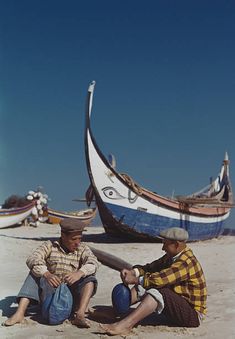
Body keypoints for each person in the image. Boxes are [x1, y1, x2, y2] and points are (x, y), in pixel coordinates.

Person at [101, 227, 207, 335]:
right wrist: (133, 272)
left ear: (176, 245)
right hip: (179, 307)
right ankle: (115, 312)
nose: (163, 248)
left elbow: (160, 280)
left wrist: (135, 280)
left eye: (165, 244)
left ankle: (126, 325)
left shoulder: (186, 262)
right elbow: (150, 268)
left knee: (159, 289)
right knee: (145, 284)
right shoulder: (171, 257)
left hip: (192, 316)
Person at [3, 218, 99, 328]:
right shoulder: (49, 245)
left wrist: (79, 273)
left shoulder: (82, 249)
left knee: (90, 278)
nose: (77, 243)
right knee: (35, 273)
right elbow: (32, 258)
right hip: (50, 295)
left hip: (71, 297)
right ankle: (19, 313)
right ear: (63, 236)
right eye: (74, 239)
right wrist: (47, 274)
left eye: (79, 238)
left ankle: (80, 315)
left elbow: (94, 262)